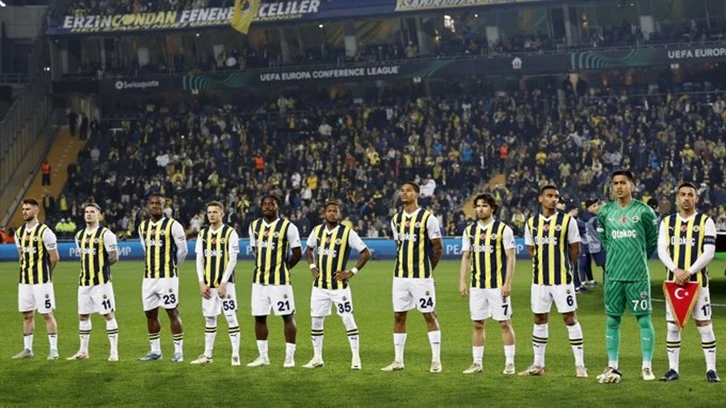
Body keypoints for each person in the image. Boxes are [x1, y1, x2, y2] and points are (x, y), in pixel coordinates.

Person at [596, 170, 659, 383]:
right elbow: (605, 240)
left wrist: (637, 258)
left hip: (637, 275)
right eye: (615, 183)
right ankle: (613, 366)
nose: (619, 187)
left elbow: (651, 241)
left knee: (644, 319)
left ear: (632, 185)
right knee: (612, 320)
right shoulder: (605, 212)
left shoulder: (644, 211)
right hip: (613, 275)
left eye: (623, 182)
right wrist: (618, 257)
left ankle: (647, 367)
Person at [519, 185, 587, 378]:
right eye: (549, 196)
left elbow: (575, 250)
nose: (554, 199)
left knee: (570, 318)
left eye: (556, 196)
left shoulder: (567, 221)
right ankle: (538, 364)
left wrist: (563, 266)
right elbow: (531, 250)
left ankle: (580, 365)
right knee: (539, 319)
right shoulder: (531, 223)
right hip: (540, 281)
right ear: (541, 198)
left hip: (562, 281)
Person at [657, 182, 719, 382]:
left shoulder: (706, 221)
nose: (686, 198)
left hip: (698, 283)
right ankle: (673, 369)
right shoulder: (667, 222)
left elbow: (709, 253)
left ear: (696, 198)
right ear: (677, 198)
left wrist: (688, 272)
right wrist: (676, 270)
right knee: (672, 326)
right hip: (673, 283)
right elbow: (662, 250)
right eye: (682, 194)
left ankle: (711, 370)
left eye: (690, 195)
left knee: (704, 325)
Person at [381, 182, 443, 373]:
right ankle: (398, 360)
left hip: (421, 276)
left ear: (417, 194)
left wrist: (428, 270)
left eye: (408, 190)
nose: (404, 193)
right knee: (399, 315)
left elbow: (437, 247)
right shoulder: (396, 219)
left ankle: (436, 361)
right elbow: (399, 245)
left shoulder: (428, 218)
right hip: (400, 276)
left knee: (429, 314)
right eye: (402, 190)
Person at [303, 200, 371, 370]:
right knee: (316, 321)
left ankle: (356, 358)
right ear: (324, 214)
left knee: (348, 320)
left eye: (335, 211)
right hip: (319, 287)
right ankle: (317, 358)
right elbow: (309, 249)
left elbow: (366, 253)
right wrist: (312, 266)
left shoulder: (347, 233)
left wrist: (351, 272)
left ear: (339, 214)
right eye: (329, 211)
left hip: (339, 288)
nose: (332, 213)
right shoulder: (317, 231)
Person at [458, 193, 517, 375]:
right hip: (477, 286)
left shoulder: (503, 229)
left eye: (484, 205)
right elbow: (466, 257)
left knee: (504, 323)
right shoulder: (469, 231)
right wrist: (462, 281)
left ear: (492, 208)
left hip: (497, 286)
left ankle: (509, 363)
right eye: (478, 206)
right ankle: (477, 363)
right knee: (477, 323)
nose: (480, 209)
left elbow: (511, 257)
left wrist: (507, 283)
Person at [247, 194, 302, 368]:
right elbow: (255, 250)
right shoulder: (254, 226)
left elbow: (297, 253)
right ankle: (263, 357)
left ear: (278, 206)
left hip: (280, 282)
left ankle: (289, 358)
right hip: (259, 281)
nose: (267, 207)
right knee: (259, 317)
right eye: (265, 204)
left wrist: (284, 268)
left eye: (272, 204)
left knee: (287, 316)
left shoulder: (288, 227)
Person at [137, 193, 188, 362]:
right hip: (148, 277)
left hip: (167, 277)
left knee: (172, 311)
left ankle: (178, 352)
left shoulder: (173, 225)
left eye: (158, 203)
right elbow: (145, 248)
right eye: (152, 203)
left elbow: (183, 251)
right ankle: (155, 351)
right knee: (150, 314)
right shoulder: (143, 227)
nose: (155, 206)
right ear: (148, 206)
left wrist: (173, 266)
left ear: (164, 206)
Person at [67, 202, 120, 361]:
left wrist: (102, 268)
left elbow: (114, 257)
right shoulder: (79, 235)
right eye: (86, 212)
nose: (89, 214)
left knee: (108, 314)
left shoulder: (106, 234)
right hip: (84, 282)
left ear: (98, 215)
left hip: (101, 283)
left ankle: (114, 352)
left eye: (92, 211)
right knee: (83, 316)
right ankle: (83, 351)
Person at [191, 201, 241, 366]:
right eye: (209, 212)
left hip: (226, 285)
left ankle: (235, 356)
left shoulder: (230, 233)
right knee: (210, 319)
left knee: (231, 317)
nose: (211, 215)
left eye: (215, 212)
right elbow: (199, 259)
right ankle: (207, 355)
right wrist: (201, 282)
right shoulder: (203, 234)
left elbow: (232, 259)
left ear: (222, 214)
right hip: (208, 285)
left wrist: (224, 282)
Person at [12, 198, 60, 360]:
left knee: (47, 314)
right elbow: (21, 256)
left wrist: (46, 273)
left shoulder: (45, 232)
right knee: (27, 315)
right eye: (23, 209)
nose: (25, 212)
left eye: (28, 209)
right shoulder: (19, 233)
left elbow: (54, 258)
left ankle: (53, 349)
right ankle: (28, 349)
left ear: (36, 210)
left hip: (41, 281)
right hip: (24, 281)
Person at [582, 198, 604, 285]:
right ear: (588, 208)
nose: (597, 207)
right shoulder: (594, 219)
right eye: (594, 206)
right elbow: (602, 233)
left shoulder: (586, 217)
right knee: (608, 269)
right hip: (600, 246)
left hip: (593, 246)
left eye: (597, 205)